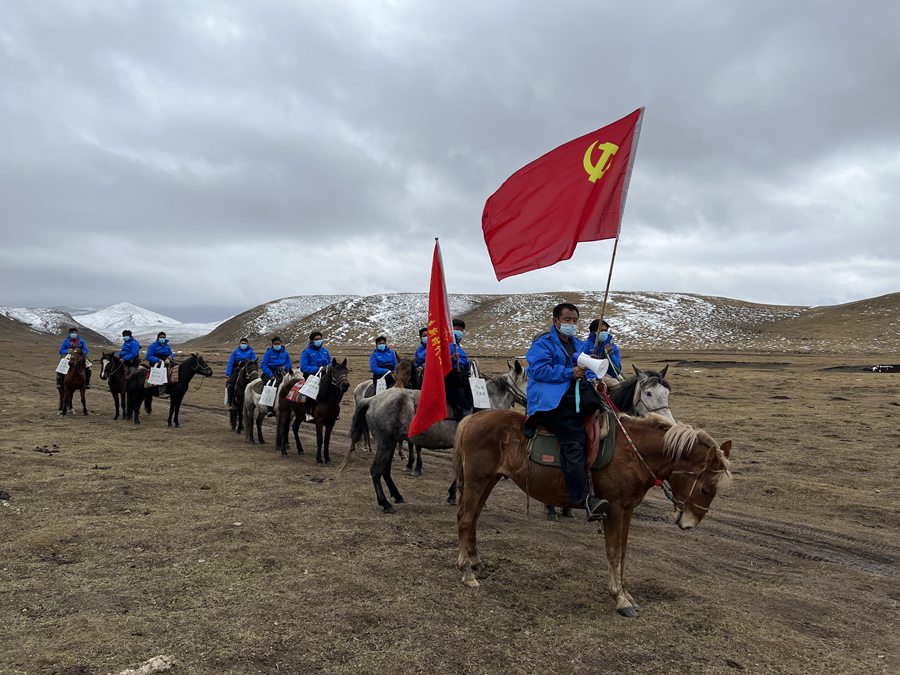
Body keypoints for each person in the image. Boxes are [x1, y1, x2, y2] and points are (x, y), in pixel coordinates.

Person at [524, 302, 609, 522]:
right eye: (567, 320)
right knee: (574, 440)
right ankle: (582, 498)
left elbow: (586, 366)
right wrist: (568, 373)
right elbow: (538, 370)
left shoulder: (576, 344)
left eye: (574, 321)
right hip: (552, 403)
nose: (571, 324)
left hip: (573, 398)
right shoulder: (542, 344)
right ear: (556, 321)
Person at [445, 318, 473, 420]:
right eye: (457, 330)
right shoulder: (447, 345)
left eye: (462, 331)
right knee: (466, 408)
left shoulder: (458, 347)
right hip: (452, 382)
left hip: (462, 380)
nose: (460, 332)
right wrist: (452, 360)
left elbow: (464, 362)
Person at [585, 318, 624, 387]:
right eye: (601, 330)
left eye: (605, 330)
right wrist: (593, 377)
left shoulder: (612, 347)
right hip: (591, 376)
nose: (604, 333)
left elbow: (616, 371)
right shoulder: (585, 346)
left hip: (608, 375)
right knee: (615, 385)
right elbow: (581, 365)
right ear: (593, 332)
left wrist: (610, 355)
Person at [225, 337, 257, 410]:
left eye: (245, 343)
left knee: (256, 384)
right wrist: (228, 374)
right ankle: (231, 403)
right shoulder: (235, 352)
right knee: (230, 385)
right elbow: (230, 362)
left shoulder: (251, 351)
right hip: (237, 369)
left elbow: (254, 361)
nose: (243, 345)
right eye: (242, 343)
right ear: (239, 344)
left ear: (247, 344)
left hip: (248, 370)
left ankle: (255, 402)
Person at [145, 331, 175, 396]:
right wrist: (158, 360)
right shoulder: (153, 346)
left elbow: (171, 353)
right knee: (162, 373)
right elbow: (148, 356)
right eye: (161, 337)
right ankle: (162, 393)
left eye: (164, 337)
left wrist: (169, 358)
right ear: (158, 338)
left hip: (166, 361)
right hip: (156, 363)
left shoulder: (167, 346)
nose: (162, 338)